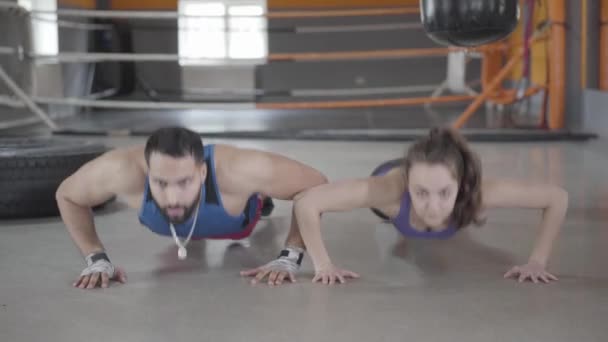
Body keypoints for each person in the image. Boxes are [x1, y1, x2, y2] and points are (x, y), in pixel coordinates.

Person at [285, 127, 568, 285]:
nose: (433, 207)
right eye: (421, 193)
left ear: (461, 185)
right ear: (409, 184)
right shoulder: (388, 192)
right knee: (405, 195)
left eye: (445, 193)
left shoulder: (477, 192)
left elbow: (557, 198)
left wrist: (537, 261)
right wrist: (323, 265)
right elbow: (308, 202)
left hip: (436, 177)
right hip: (391, 179)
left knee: (464, 200)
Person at [56, 126, 327, 289]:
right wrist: (96, 259)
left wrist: (290, 256)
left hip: (238, 221)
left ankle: (262, 198)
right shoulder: (120, 170)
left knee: (251, 196)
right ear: (148, 172)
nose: (172, 197)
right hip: (174, 225)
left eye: (184, 182)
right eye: (160, 183)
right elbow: (68, 196)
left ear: (203, 173)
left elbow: (316, 184)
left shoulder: (241, 169)